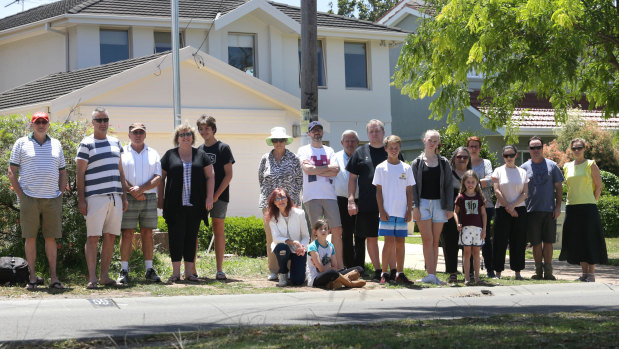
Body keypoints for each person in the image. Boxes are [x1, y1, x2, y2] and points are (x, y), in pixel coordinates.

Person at [8, 111, 66, 289]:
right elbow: (12, 171)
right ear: (32, 125)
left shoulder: (56, 144)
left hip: (52, 199)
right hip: (29, 199)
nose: (41, 124)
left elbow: (63, 171)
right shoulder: (21, 143)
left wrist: (60, 192)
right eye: (37, 122)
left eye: (44, 121)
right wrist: (21, 195)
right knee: (30, 238)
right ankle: (32, 278)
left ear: (48, 124)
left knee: (51, 238)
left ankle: (54, 278)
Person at [76, 107, 129, 289]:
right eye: (99, 120)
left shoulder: (116, 142)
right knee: (93, 237)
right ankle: (92, 278)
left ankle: (104, 276)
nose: (103, 123)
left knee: (110, 237)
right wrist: (81, 199)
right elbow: (80, 174)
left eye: (105, 119)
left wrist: (124, 196)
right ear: (93, 123)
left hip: (115, 196)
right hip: (95, 197)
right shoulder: (86, 144)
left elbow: (120, 171)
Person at [157, 121, 214, 283]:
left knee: (191, 237)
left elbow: (210, 176)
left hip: (195, 205)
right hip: (175, 205)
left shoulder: (201, 155)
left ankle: (189, 273)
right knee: (176, 237)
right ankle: (175, 273)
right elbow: (161, 179)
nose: (185, 137)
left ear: (193, 137)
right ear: (177, 138)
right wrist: (160, 198)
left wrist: (209, 197)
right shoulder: (170, 155)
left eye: (188, 134)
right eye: (182, 134)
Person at [347, 119, 400, 281]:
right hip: (367, 203)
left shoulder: (392, 151)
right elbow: (352, 179)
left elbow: (402, 177)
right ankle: (378, 270)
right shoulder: (360, 152)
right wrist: (350, 200)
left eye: (377, 131)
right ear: (367, 133)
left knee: (390, 238)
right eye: (371, 131)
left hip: (391, 204)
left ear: (383, 132)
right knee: (371, 237)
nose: (374, 134)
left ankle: (392, 270)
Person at [118, 123, 162, 284]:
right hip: (128, 197)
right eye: (134, 132)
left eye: (141, 132)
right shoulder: (121, 152)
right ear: (129, 134)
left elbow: (158, 177)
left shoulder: (153, 153)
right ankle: (123, 270)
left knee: (147, 233)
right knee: (127, 233)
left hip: (148, 198)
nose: (138, 135)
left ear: (145, 134)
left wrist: (141, 189)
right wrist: (132, 191)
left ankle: (149, 269)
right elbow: (119, 175)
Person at [559, 138, 608, 282]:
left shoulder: (590, 164)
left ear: (584, 149)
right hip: (572, 207)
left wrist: (593, 201)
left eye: (579, 147)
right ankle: (584, 273)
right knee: (577, 239)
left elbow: (599, 186)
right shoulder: (567, 166)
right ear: (571, 149)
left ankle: (591, 274)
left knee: (589, 239)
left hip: (588, 207)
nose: (577, 150)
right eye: (574, 148)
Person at [258, 127, 303, 281]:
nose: (278, 143)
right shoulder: (265, 158)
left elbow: (299, 181)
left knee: (290, 236)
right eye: (275, 140)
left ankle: (289, 269)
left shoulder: (294, 158)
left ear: (285, 141)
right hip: (269, 205)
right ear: (272, 142)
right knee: (272, 238)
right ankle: (274, 269)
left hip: (289, 204)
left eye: (281, 140)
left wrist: (293, 203)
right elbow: (261, 180)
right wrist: (269, 199)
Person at [297, 121, 343, 268]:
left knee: (336, 229)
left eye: (319, 130)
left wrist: (315, 169)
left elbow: (335, 170)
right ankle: (314, 268)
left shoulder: (329, 150)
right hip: (311, 196)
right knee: (314, 232)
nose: (316, 133)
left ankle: (339, 266)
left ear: (322, 133)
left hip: (330, 195)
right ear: (309, 133)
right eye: (313, 131)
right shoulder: (303, 150)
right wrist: (326, 169)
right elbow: (307, 170)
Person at [411, 130, 453, 285]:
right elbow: (412, 186)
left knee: (436, 241)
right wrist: (414, 206)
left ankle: (433, 275)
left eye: (435, 141)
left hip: (440, 205)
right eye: (430, 140)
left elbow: (449, 186)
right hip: (422, 203)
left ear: (438, 143)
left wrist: (450, 207)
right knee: (427, 240)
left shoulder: (444, 162)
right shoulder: (417, 162)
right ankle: (429, 273)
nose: (432, 143)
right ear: (424, 141)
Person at [197, 115, 235, 280]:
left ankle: (219, 269)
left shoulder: (223, 148)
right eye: (201, 129)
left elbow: (228, 175)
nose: (204, 131)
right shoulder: (198, 150)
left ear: (213, 129)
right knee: (193, 231)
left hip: (220, 196)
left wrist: (215, 196)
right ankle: (191, 269)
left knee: (218, 230)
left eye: (207, 128)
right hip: (200, 197)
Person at [521, 136, 564, 280]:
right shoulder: (524, 167)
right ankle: (538, 271)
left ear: (543, 148)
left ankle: (549, 271)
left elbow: (559, 188)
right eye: (532, 148)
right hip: (531, 211)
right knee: (536, 243)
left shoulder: (552, 166)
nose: (536, 150)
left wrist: (558, 207)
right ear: (529, 149)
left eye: (538, 147)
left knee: (549, 242)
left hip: (549, 211)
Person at [373, 135, 415, 285]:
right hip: (387, 212)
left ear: (399, 149)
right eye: (391, 148)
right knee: (388, 242)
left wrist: (409, 210)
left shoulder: (406, 168)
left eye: (396, 148)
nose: (393, 150)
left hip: (402, 211)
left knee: (400, 242)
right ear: (385, 149)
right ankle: (384, 273)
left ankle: (400, 273)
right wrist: (381, 210)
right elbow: (378, 191)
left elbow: (409, 190)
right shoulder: (381, 168)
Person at [491, 145, 528, 279]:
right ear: (503, 157)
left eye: (511, 155)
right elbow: (497, 191)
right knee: (500, 241)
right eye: (506, 155)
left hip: (519, 209)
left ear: (516, 155)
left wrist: (513, 206)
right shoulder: (498, 171)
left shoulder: (523, 172)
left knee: (518, 241)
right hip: (502, 209)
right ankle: (498, 272)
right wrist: (508, 206)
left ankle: (518, 272)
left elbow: (525, 193)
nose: (509, 158)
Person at [267, 188, 309, 287]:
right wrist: (293, 242)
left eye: (282, 197)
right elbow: (276, 238)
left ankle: (301, 270)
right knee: (282, 248)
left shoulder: (300, 213)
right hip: (283, 248)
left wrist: (302, 247)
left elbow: (306, 236)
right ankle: (283, 272)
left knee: (297, 282)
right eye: (277, 199)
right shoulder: (272, 217)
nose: (280, 201)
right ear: (274, 203)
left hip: (298, 250)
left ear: (287, 199)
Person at [306, 219, 366, 290]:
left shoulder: (331, 245)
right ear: (315, 232)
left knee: (359, 269)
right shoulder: (312, 246)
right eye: (321, 229)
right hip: (316, 278)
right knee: (332, 272)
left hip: (332, 274)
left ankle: (336, 282)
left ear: (329, 231)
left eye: (325, 229)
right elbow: (321, 269)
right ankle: (349, 283)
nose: (323, 231)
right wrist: (329, 267)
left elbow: (335, 266)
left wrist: (329, 267)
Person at [441, 147, 471, 283]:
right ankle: (452, 272)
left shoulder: (472, 175)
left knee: (468, 244)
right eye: (459, 157)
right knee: (450, 243)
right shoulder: (448, 175)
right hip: (451, 214)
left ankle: (469, 273)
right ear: (454, 159)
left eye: (465, 157)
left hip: (470, 216)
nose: (462, 159)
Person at [467, 136, 495, 277]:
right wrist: (477, 184)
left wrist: (473, 185)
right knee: (469, 238)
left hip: (486, 204)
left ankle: (490, 270)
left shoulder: (486, 163)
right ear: (467, 147)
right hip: (469, 206)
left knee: (485, 237)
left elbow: (491, 180)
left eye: (476, 146)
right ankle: (470, 271)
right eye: (471, 146)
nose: (473, 149)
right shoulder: (464, 162)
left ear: (480, 148)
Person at [454, 170, 487, 285]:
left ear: (477, 182)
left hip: (478, 229)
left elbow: (483, 214)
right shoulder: (461, 197)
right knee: (467, 253)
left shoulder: (479, 197)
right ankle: (467, 278)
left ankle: (477, 278)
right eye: (468, 182)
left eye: (473, 182)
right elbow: (455, 212)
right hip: (466, 229)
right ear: (464, 183)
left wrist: (484, 229)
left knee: (477, 253)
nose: (470, 184)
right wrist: (458, 222)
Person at [333, 130, 360, 268]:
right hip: (341, 200)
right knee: (347, 234)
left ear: (358, 142)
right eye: (347, 141)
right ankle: (348, 265)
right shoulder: (335, 157)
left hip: (361, 200)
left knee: (361, 234)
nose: (350, 143)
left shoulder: (362, 156)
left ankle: (360, 265)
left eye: (353, 140)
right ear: (342, 142)